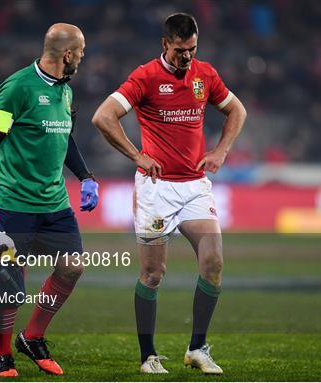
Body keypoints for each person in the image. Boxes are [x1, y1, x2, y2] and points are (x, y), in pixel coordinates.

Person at [92, 13, 246, 375]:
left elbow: (236, 110)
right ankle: (148, 356)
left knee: (214, 265)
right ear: (165, 45)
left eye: (192, 49)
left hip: (194, 186)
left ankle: (197, 348)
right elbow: (103, 116)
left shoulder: (205, 75)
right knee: (153, 273)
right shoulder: (145, 76)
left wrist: (222, 150)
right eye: (180, 50)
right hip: (156, 189)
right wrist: (137, 155)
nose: (187, 57)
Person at [0, 23, 98, 377]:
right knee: (10, 279)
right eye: (82, 51)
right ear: (68, 54)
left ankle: (32, 337)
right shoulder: (16, 87)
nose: (84, 57)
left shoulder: (66, 91)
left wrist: (86, 177)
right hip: (15, 203)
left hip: (55, 203)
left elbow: (66, 139)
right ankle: (3, 355)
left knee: (72, 266)